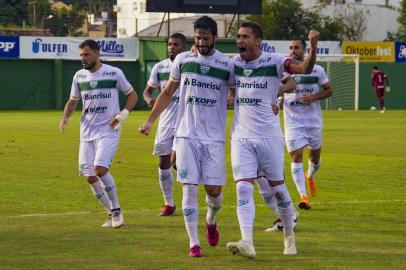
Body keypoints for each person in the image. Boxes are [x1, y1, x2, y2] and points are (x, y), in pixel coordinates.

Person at [139, 16, 234, 257]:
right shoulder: (183, 60)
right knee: (189, 188)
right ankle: (194, 243)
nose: (202, 42)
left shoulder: (227, 64)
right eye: (198, 38)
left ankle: (211, 220)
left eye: (206, 38)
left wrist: (236, 99)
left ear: (215, 37)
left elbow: (237, 91)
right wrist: (149, 120)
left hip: (214, 138)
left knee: (214, 192)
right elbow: (167, 92)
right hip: (185, 136)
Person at [226, 22, 320, 258]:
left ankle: (289, 235)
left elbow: (304, 70)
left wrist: (313, 45)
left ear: (258, 40)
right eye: (238, 37)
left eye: (245, 37)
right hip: (241, 138)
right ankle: (247, 240)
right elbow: (230, 86)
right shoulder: (233, 64)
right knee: (243, 187)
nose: (240, 41)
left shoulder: (275, 61)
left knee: (278, 190)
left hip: (269, 136)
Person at [59, 39, 138, 228]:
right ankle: (110, 212)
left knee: (100, 170)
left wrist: (123, 114)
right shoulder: (79, 76)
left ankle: (117, 210)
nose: (83, 59)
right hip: (86, 132)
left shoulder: (114, 73)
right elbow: (73, 101)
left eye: (86, 54)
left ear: (96, 53)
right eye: (81, 55)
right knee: (89, 176)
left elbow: (132, 95)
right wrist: (65, 117)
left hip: (108, 130)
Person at [142, 33, 187, 216]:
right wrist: (149, 100)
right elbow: (147, 92)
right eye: (169, 44)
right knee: (163, 162)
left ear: (183, 47)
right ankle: (169, 204)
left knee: (178, 163)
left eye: (176, 44)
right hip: (166, 121)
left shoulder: (189, 65)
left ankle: (188, 202)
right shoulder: (159, 67)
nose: (171, 47)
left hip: (185, 120)